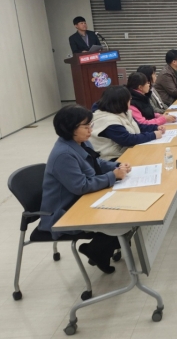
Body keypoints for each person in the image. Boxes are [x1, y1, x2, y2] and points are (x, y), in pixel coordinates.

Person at [39, 105, 131, 274]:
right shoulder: (64, 154)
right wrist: (112, 176)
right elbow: (81, 186)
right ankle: (98, 249)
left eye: (91, 125)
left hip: (84, 199)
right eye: (86, 126)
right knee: (121, 217)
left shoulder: (81, 142)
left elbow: (97, 162)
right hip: (65, 211)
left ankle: (100, 249)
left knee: (128, 210)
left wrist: (116, 166)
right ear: (69, 128)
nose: (90, 130)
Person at [89, 86, 164, 161]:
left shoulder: (122, 112)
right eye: (129, 100)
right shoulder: (107, 120)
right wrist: (152, 135)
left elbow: (138, 126)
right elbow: (127, 139)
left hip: (128, 151)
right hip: (114, 158)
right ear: (121, 102)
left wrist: (155, 127)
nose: (130, 103)